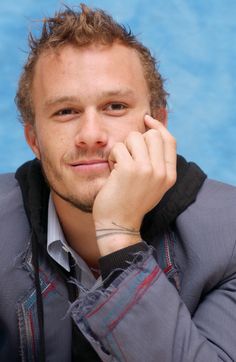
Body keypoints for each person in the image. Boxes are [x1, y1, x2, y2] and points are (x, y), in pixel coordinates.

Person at [0, 3, 236, 361]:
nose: (91, 135)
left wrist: (118, 237)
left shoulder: (230, 235)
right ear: (34, 138)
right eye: (66, 112)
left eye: (115, 107)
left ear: (157, 122)